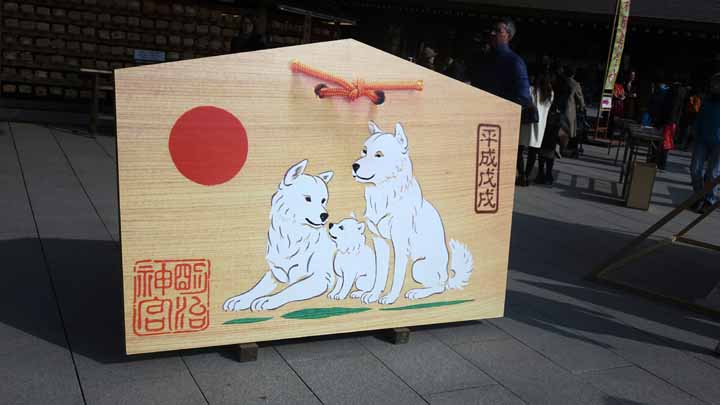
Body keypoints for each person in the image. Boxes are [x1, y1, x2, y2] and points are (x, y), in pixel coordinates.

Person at [475, 19, 531, 108]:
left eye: (498, 31)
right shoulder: (484, 59)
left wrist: (497, 105)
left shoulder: (515, 62)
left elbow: (523, 98)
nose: (492, 33)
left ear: (508, 36)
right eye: (492, 30)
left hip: (500, 113)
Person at [517, 69, 554, 186]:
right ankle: (527, 176)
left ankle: (521, 175)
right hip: (540, 126)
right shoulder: (550, 94)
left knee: (519, 149)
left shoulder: (530, 90)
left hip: (526, 123)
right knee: (533, 152)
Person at [689, 73, 720, 213]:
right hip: (702, 140)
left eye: (717, 83)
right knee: (695, 169)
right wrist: (694, 132)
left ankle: (710, 200)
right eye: (713, 83)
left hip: (718, 142)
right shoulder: (706, 100)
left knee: (712, 173)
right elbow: (699, 118)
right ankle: (699, 195)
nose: (714, 86)